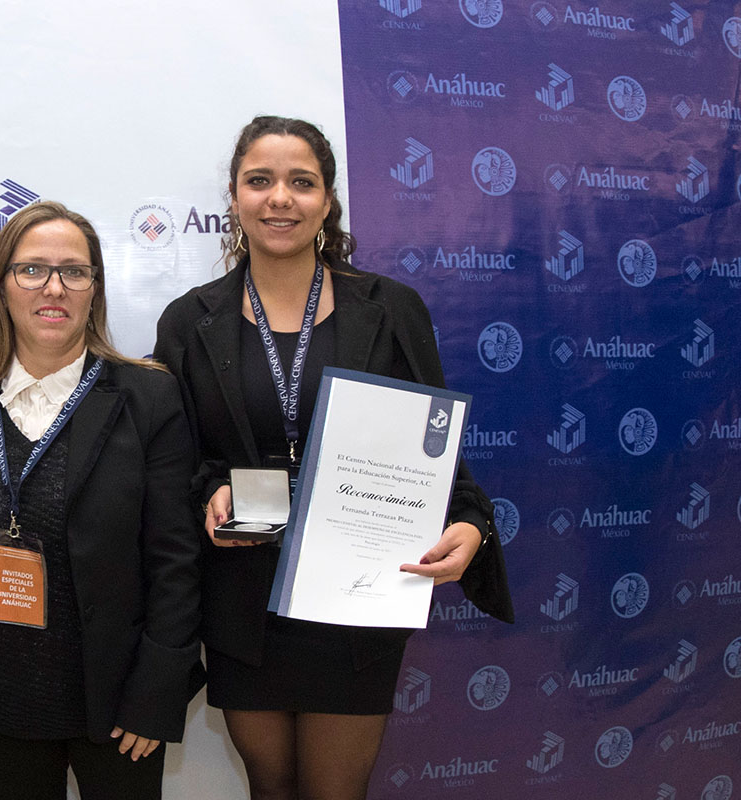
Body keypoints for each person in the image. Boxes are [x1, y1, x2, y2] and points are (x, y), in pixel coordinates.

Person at [153, 115, 514, 800]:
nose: (279, 198)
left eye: (301, 182)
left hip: (358, 597)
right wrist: (210, 493)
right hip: (243, 596)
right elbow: (179, 459)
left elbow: (434, 451)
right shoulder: (188, 320)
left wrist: (469, 525)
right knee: (270, 785)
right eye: (259, 181)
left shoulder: (391, 309)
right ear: (233, 197)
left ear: (327, 200)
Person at [0, 200, 203, 800]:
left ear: (94, 289)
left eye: (74, 271)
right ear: (0, 285)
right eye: (31, 269)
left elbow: (176, 560)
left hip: (115, 700)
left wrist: (156, 691)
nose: (53, 287)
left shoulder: (147, 396)